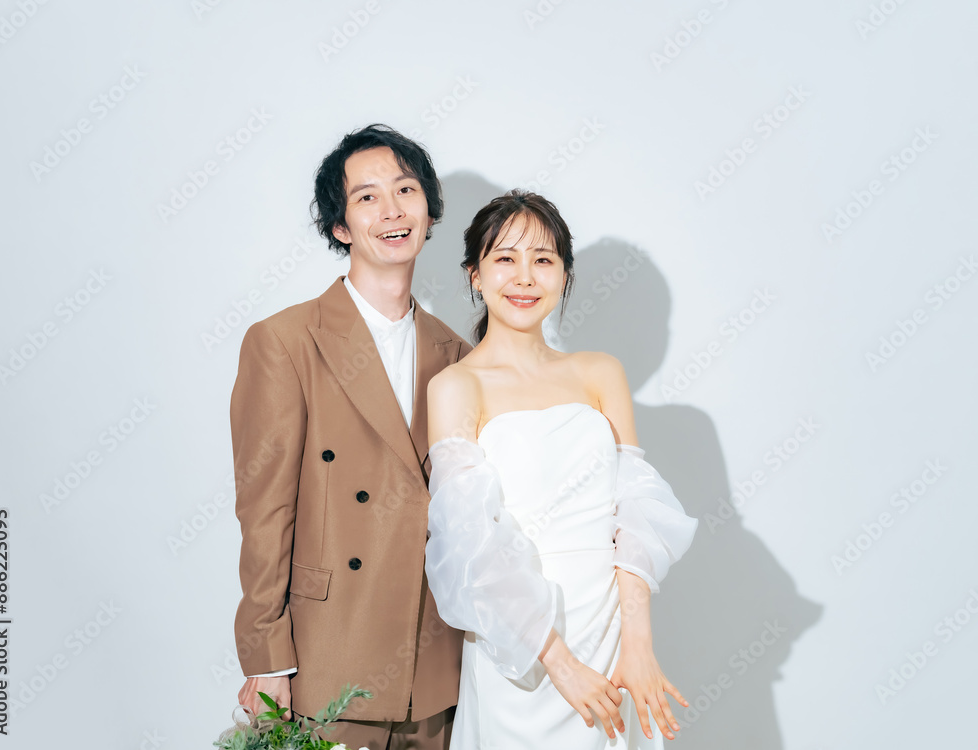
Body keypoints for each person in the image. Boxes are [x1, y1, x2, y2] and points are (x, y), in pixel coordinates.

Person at [425, 191, 698, 748]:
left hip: (609, 633)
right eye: (505, 258)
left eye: (543, 259)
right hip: (520, 643)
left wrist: (637, 646)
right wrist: (560, 662)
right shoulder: (455, 386)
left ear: (565, 275)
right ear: (475, 274)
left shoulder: (600, 372)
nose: (525, 277)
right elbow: (470, 544)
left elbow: (636, 515)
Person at [231, 124, 471, 750]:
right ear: (340, 226)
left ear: (428, 209)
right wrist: (266, 658)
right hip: (327, 658)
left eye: (406, 190)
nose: (392, 210)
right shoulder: (285, 342)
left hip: (434, 668)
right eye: (367, 197)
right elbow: (264, 511)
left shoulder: (456, 354)